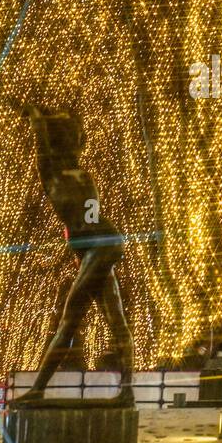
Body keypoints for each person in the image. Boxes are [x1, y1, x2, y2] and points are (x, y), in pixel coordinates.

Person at [17, 106, 134, 404]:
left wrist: (35, 117)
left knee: (70, 321)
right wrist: (37, 118)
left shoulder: (59, 176)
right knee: (115, 319)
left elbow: (42, 141)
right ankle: (127, 392)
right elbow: (43, 143)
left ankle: (39, 389)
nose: (74, 141)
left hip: (100, 246)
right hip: (103, 245)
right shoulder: (62, 174)